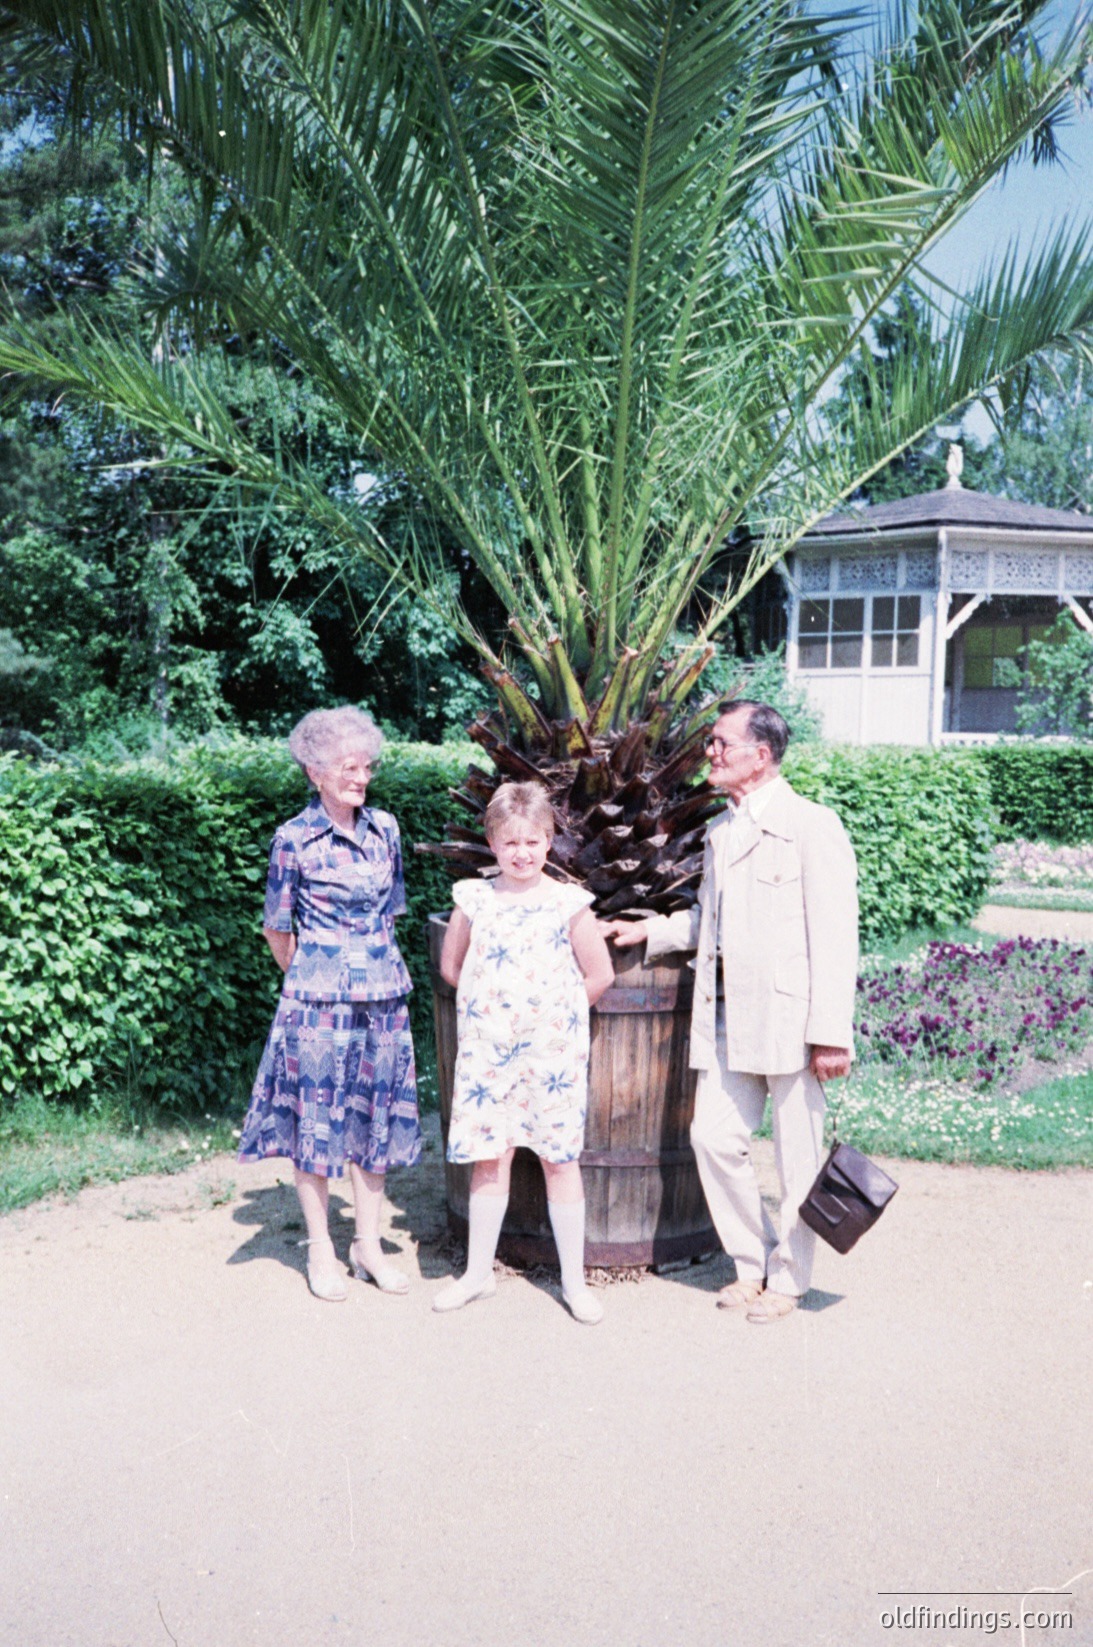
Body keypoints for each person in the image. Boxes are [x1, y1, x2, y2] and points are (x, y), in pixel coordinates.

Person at [604, 700, 858, 1324]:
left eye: (722, 743)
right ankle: (753, 1263)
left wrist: (830, 1035)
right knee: (712, 1138)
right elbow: (711, 921)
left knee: (798, 1159)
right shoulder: (722, 832)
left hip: (795, 1026)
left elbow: (835, 935)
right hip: (727, 1020)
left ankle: (791, 1282)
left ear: (760, 755)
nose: (711, 753)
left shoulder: (811, 825)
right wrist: (654, 932)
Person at [237, 705, 422, 1303]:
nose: (361, 778)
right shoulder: (292, 839)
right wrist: (316, 977)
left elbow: (392, 910)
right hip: (316, 1002)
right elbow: (276, 929)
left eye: (367, 767)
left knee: (375, 1117)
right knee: (316, 1121)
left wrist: (363, 972)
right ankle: (321, 1248)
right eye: (348, 767)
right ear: (315, 772)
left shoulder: (386, 829)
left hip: (385, 996)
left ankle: (367, 1247)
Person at [434, 781, 616, 1324]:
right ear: (492, 842)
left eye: (533, 842)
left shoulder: (567, 902)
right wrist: (494, 1012)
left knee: (560, 1159)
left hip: (552, 1060)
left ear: (549, 841)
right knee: (491, 1158)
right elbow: (452, 967)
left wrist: (555, 1017)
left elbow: (599, 973)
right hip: (490, 1056)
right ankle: (476, 1275)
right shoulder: (474, 898)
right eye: (510, 842)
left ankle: (574, 1283)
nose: (522, 853)